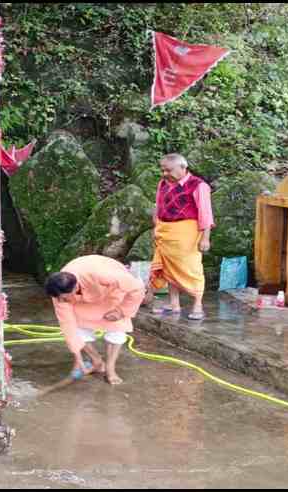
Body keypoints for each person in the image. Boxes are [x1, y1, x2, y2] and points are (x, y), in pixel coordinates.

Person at [45, 255, 146, 385]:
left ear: (75, 288)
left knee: (116, 329)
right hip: (81, 302)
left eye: (63, 298)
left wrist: (121, 311)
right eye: (58, 298)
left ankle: (110, 368)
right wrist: (78, 359)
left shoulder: (104, 275)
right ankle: (96, 361)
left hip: (110, 293)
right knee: (78, 329)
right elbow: (67, 325)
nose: (60, 301)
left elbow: (137, 288)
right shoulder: (58, 291)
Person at [146, 153, 215, 320]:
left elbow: (205, 213)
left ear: (183, 168)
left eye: (168, 170)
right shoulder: (163, 183)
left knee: (191, 268)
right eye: (162, 170)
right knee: (168, 268)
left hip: (187, 233)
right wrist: (156, 227)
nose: (165, 174)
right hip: (164, 231)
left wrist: (205, 237)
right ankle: (173, 304)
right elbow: (158, 205)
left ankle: (197, 304)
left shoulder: (198, 185)